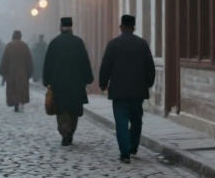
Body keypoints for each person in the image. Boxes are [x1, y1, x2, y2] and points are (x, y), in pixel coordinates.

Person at [98, 15, 155, 164]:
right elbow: (150, 67)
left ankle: (124, 152)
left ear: (121, 26)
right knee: (136, 120)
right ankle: (133, 146)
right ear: (134, 27)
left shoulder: (113, 44)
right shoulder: (142, 44)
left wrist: (103, 83)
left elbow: (106, 66)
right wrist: (148, 83)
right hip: (137, 91)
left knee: (121, 122)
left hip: (119, 90)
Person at [42, 17, 94, 146]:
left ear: (61, 27)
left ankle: (65, 132)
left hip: (59, 82)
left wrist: (46, 80)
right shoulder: (78, 42)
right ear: (71, 27)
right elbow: (84, 61)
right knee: (73, 110)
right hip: (75, 82)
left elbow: (48, 63)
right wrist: (88, 78)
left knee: (61, 109)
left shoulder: (55, 43)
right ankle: (70, 131)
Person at [0, 30, 33, 112]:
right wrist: (29, 72)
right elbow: (29, 60)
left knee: (13, 88)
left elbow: (5, 60)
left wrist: (3, 71)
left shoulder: (9, 46)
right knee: (20, 89)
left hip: (11, 71)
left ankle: (15, 103)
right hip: (22, 71)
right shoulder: (24, 46)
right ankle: (20, 101)